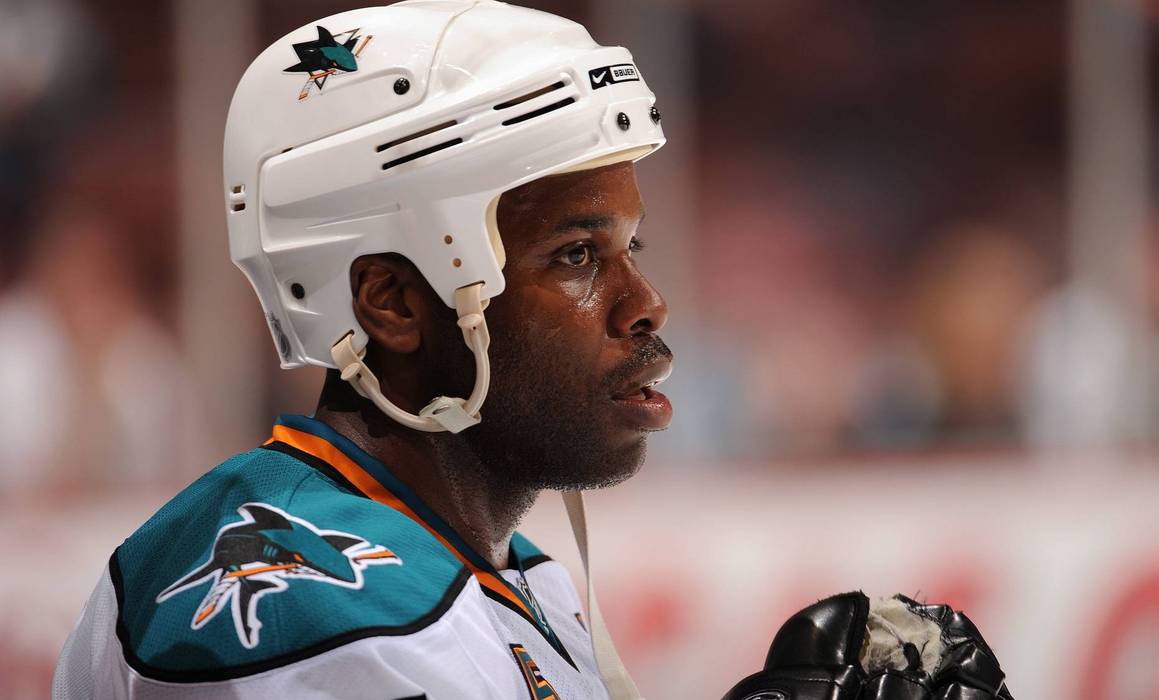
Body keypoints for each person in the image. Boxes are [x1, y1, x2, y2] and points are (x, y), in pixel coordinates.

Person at [53, 2, 1013, 698]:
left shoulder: (486, 568)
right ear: (392, 303)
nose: (646, 304)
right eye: (575, 256)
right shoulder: (329, 620)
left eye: (631, 247)